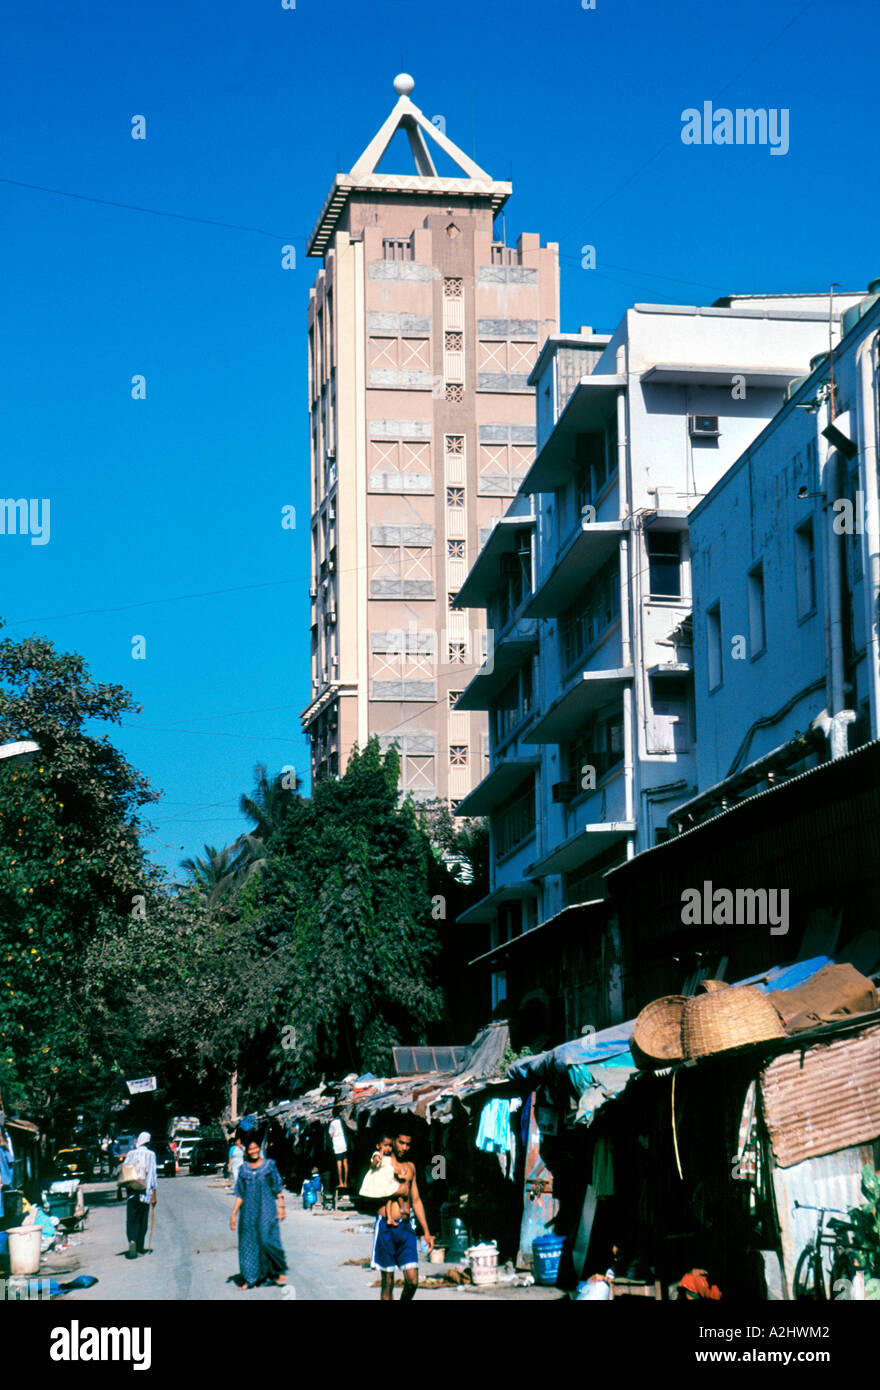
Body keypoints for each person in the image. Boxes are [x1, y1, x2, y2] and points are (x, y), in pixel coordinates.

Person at [370, 1128, 434, 1301]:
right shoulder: (382, 1164)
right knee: (388, 1282)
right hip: (386, 1226)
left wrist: (426, 1232)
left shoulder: (410, 1167)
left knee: (412, 1281)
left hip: (406, 1227)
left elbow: (417, 1200)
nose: (404, 1148)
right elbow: (373, 1185)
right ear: (394, 1141)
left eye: (408, 1144)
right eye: (401, 1143)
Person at [230, 1136, 288, 1289]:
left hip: (267, 1208)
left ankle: (277, 1271)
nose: (254, 1151)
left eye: (256, 1148)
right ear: (247, 1151)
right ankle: (251, 1279)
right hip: (248, 1212)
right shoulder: (243, 1169)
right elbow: (239, 1194)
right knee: (248, 1243)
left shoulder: (269, 1165)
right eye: (251, 1149)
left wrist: (281, 1206)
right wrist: (234, 1214)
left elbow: (277, 1187)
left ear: (260, 1149)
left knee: (267, 1239)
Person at [123, 1132, 157, 1259]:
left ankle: (132, 1240)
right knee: (142, 1220)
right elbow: (153, 1177)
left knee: (132, 1219)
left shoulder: (131, 1154)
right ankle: (139, 1247)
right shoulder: (151, 1155)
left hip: (132, 1193)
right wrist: (154, 1196)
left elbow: (124, 1171)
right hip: (145, 1193)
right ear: (148, 1142)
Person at [328, 1108, 349, 1189]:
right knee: (345, 1163)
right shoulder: (343, 1121)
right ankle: (345, 1182)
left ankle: (340, 1182)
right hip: (344, 1143)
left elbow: (331, 1135)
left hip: (337, 1144)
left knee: (339, 1164)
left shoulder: (332, 1123)